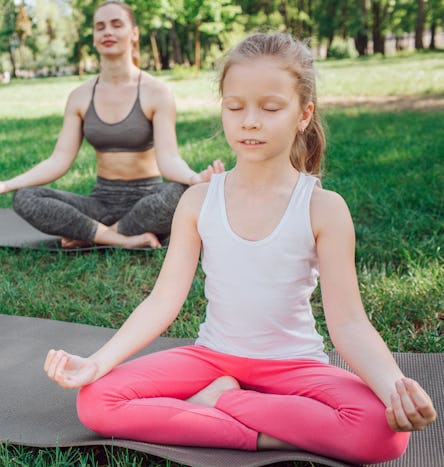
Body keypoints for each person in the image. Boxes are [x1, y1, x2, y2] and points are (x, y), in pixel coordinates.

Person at [43, 32, 436, 464]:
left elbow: (349, 325)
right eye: (235, 107)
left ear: (303, 114)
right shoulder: (198, 200)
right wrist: (97, 363)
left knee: (385, 434)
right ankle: (268, 431)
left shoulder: (324, 208)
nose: (250, 121)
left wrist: (395, 388)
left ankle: (219, 405)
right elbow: (162, 301)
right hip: (212, 359)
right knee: (96, 401)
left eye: (270, 108)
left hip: (295, 367)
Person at [0, 1, 224, 249]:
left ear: (133, 33)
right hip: (100, 203)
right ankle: (123, 238)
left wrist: (194, 179)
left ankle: (94, 235)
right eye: (100, 27)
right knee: (25, 197)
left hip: (148, 200)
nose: (107, 31)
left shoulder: (157, 92)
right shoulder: (79, 96)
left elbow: (168, 159)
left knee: (180, 194)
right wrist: (5, 185)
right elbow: (58, 160)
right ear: (93, 37)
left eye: (116, 24)